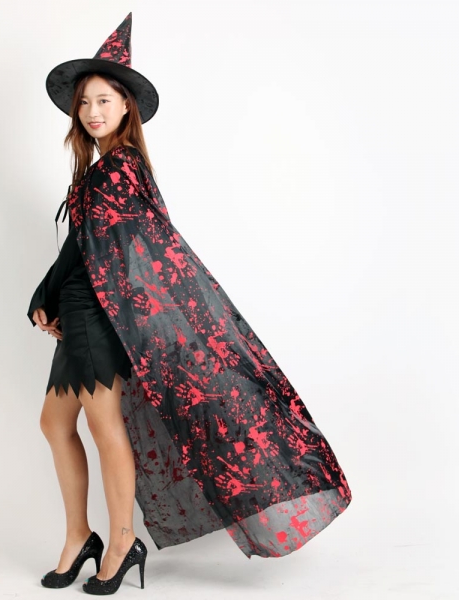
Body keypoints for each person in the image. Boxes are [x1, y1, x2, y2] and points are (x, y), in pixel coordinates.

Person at [27, 12, 352, 597]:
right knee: (55, 423)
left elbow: (110, 252)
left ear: (126, 108)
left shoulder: (121, 168)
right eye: (85, 103)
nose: (93, 111)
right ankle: (80, 536)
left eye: (104, 100)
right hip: (80, 310)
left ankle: (121, 542)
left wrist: (46, 295)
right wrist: (52, 300)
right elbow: (87, 245)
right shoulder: (100, 171)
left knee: (103, 426)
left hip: (99, 316)